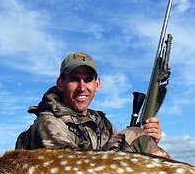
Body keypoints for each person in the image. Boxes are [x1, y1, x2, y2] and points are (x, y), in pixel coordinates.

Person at [16, 52, 169, 158]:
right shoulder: (49, 123)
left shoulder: (101, 123)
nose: (82, 88)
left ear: (97, 84)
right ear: (61, 84)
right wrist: (136, 137)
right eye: (74, 80)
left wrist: (147, 140)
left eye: (88, 80)